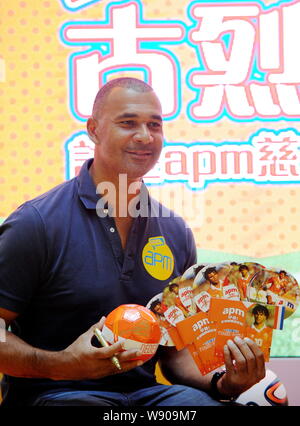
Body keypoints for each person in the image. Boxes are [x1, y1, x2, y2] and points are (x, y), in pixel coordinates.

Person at [0, 77, 265, 406]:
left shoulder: (175, 232)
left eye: (154, 125)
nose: (144, 136)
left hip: (145, 398)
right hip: (58, 395)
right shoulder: (36, 224)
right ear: (94, 129)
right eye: (128, 123)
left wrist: (225, 383)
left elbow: (175, 353)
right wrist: (63, 364)